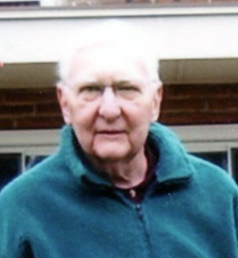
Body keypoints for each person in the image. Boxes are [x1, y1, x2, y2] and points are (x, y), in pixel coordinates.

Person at [1, 21, 238, 258]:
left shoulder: (218, 194)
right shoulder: (21, 206)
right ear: (65, 103)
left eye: (127, 88)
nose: (109, 110)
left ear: (155, 101)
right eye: (91, 89)